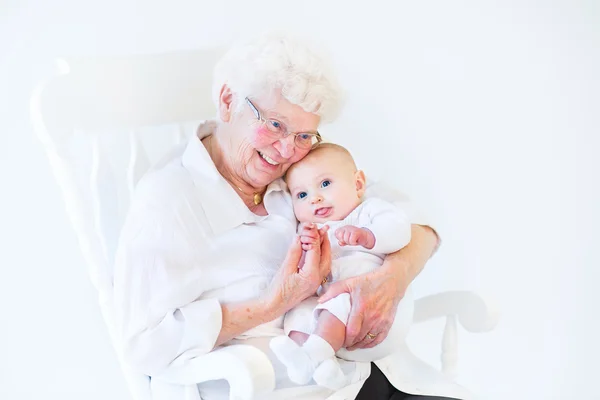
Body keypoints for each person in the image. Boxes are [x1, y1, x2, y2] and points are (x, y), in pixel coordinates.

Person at [113, 33, 459, 400]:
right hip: (264, 389)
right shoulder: (168, 200)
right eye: (275, 125)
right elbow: (143, 343)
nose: (285, 151)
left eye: (304, 135)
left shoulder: (295, 173)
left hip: (359, 380)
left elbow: (419, 223)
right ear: (228, 101)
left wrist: (394, 276)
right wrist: (273, 303)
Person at [270, 143, 413, 390]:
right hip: (339, 329)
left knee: (340, 301)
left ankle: (315, 354)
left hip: (372, 314)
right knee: (295, 315)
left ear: (358, 184)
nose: (314, 198)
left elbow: (401, 231)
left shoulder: (368, 211)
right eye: (301, 195)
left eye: (325, 184)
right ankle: (322, 364)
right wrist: (308, 249)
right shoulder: (313, 230)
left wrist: (367, 235)